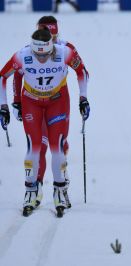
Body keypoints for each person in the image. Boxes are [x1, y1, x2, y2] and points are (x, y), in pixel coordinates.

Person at [0, 28, 90, 217]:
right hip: (31, 102)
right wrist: (5, 106)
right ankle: (31, 191)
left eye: (46, 55)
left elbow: (82, 72)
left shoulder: (65, 52)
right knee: (33, 147)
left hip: (57, 101)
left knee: (57, 146)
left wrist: (83, 98)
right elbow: (2, 77)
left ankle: (59, 190)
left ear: (52, 48)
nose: (41, 60)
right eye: (37, 56)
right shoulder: (22, 56)